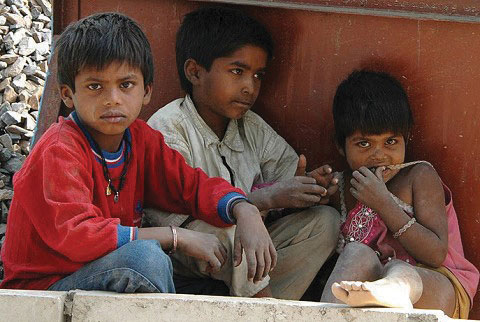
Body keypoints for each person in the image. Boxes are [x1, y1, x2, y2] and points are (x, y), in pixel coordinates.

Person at [0, 12, 276, 294]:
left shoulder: (140, 139)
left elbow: (191, 186)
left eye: (126, 85)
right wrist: (176, 237)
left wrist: (244, 209)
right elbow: (79, 237)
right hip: (46, 289)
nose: (112, 98)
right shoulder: (59, 149)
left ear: (146, 91)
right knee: (145, 259)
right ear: (69, 95)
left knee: (214, 290)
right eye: (95, 86)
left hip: (104, 272)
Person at [147, 6, 340, 300]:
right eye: (237, 71)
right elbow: (180, 221)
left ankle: (269, 307)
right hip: (187, 253)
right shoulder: (168, 128)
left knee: (324, 222)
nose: (250, 87)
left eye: (258, 75)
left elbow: (286, 175)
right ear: (195, 72)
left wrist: (308, 189)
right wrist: (266, 198)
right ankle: (263, 308)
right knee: (235, 234)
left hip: (245, 255)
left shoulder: (251, 126)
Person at [320, 70, 479, 319]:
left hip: (435, 286)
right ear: (341, 145)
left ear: (407, 138)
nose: (379, 154)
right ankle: (325, 317)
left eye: (391, 142)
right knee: (356, 252)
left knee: (398, 270)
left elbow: (436, 254)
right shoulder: (342, 187)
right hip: (365, 289)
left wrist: (383, 204)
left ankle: (392, 290)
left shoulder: (419, 176)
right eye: (364, 144)